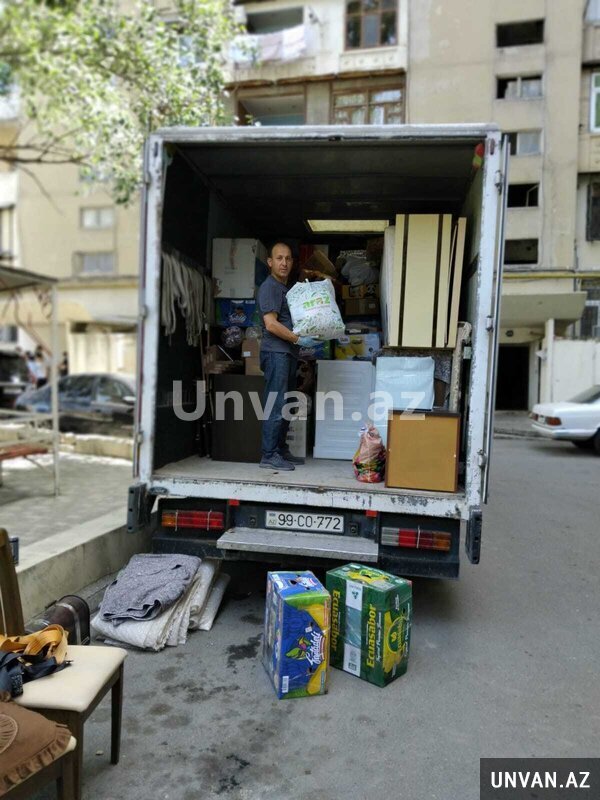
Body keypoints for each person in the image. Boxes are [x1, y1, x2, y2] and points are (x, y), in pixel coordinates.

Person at [257, 242, 318, 471]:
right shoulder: (270, 287)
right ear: (270, 262)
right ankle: (269, 454)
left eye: (288, 259)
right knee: (276, 403)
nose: (284, 263)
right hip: (276, 353)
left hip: (287, 353)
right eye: (279, 258)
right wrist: (298, 339)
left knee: (287, 403)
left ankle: (280, 450)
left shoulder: (284, 288)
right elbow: (271, 324)